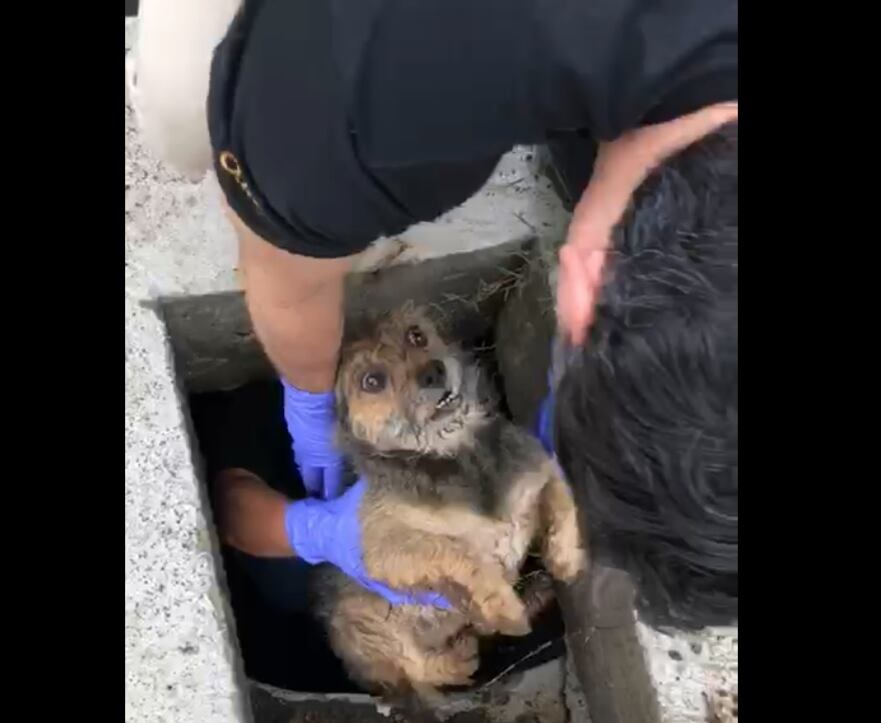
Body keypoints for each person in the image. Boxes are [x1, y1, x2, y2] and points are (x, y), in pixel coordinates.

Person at [128, 0, 737, 626]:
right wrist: (308, 425)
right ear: (586, 283)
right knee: (183, 125)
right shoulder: (372, 92)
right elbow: (280, 270)